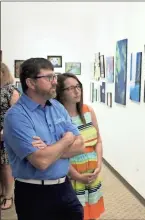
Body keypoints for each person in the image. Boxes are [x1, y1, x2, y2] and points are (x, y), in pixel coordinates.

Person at [3, 58, 85, 220]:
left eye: (54, 77)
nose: (55, 82)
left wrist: (49, 149)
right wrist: (67, 139)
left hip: (65, 187)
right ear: (31, 83)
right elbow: (41, 162)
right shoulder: (16, 116)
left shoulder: (57, 107)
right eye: (48, 78)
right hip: (34, 194)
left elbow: (81, 144)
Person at [56, 73, 105, 220]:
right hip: (72, 176)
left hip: (92, 173)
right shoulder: (58, 116)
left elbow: (98, 141)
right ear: (61, 93)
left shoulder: (88, 111)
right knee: (75, 213)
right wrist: (76, 176)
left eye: (78, 86)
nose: (77, 91)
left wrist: (99, 165)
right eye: (71, 88)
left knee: (91, 211)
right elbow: (58, 153)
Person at [0, 63, 20, 210]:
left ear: (3, 73)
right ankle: (2, 192)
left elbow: (16, 115)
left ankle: (8, 196)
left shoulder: (11, 90)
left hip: (4, 134)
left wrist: (4, 131)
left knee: (6, 165)